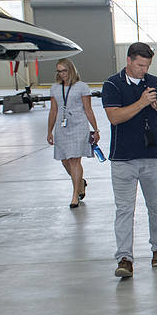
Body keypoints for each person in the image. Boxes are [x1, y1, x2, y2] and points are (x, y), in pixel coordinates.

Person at [101, 42, 157, 278]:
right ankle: (125, 258)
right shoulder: (112, 85)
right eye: (140, 65)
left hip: (152, 155)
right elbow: (115, 117)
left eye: (147, 66)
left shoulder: (155, 82)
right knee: (124, 209)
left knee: (156, 206)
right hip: (122, 158)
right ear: (129, 61)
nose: (144, 70)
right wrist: (142, 103)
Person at [46, 58, 100, 208]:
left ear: (71, 70)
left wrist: (95, 129)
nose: (62, 74)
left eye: (64, 70)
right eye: (59, 71)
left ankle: (75, 194)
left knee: (75, 160)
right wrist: (49, 131)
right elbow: (53, 110)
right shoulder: (55, 88)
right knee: (65, 160)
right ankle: (80, 182)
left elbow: (88, 109)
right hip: (62, 127)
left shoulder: (82, 87)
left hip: (79, 125)